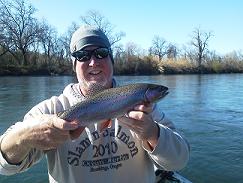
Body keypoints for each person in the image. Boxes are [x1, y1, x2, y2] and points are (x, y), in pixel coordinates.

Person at [0, 25, 189, 183]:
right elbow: (4, 168)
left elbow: (179, 161)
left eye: (101, 53)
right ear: (74, 65)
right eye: (82, 55)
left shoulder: (144, 111)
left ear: (112, 60)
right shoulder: (51, 111)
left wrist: (152, 133)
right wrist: (23, 136)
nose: (93, 62)